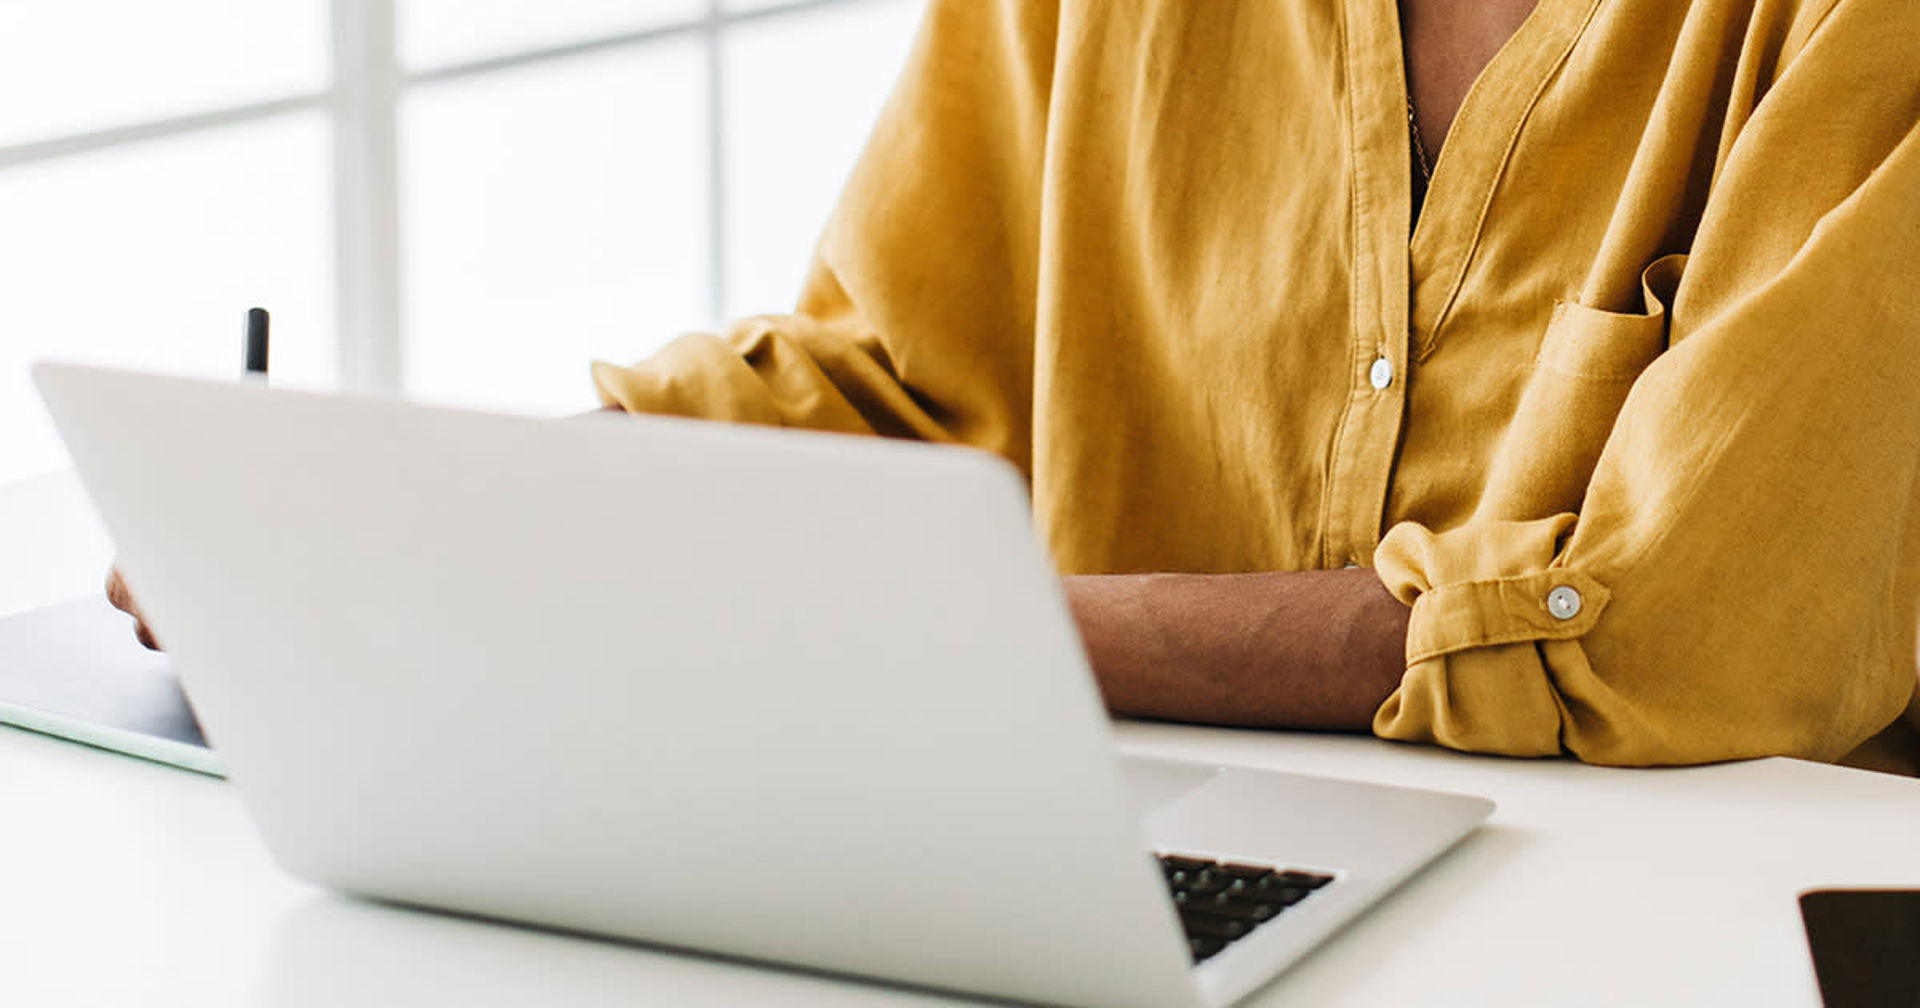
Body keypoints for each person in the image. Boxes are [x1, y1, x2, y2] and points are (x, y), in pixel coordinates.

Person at [111, 0, 1920, 773]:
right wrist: (429, 522)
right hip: (1110, 846)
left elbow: (1679, 626)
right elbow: (902, 381)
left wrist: (927, 626)